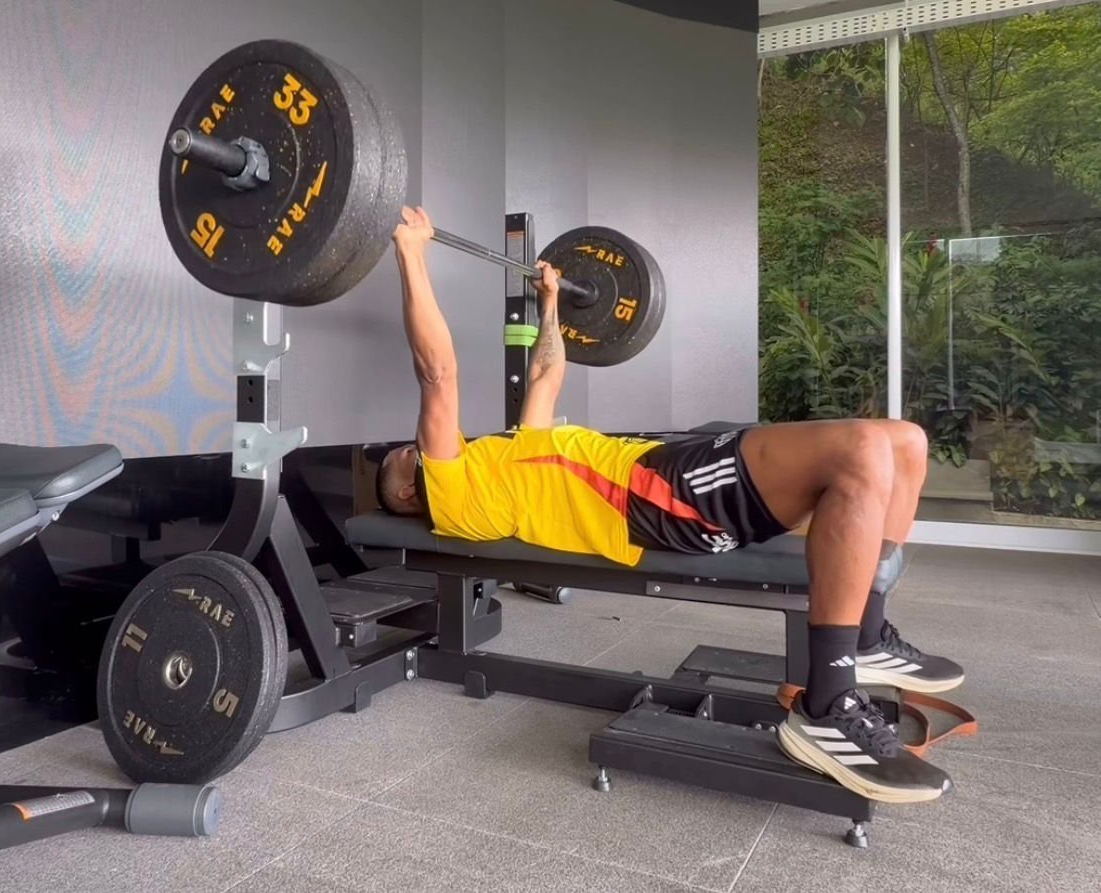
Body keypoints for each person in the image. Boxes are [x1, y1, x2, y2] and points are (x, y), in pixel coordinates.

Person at [378, 206, 963, 804]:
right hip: (656, 498)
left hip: (663, 472)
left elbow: (547, 376)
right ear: (405, 489)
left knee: (904, 442)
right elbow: (437, 375)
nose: (414, 446)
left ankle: (863, 638)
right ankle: (827, 703)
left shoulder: (507, 454)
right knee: (861, 448)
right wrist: (411, 253)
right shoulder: (450, 490)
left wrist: (550, 301)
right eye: (404, 453)